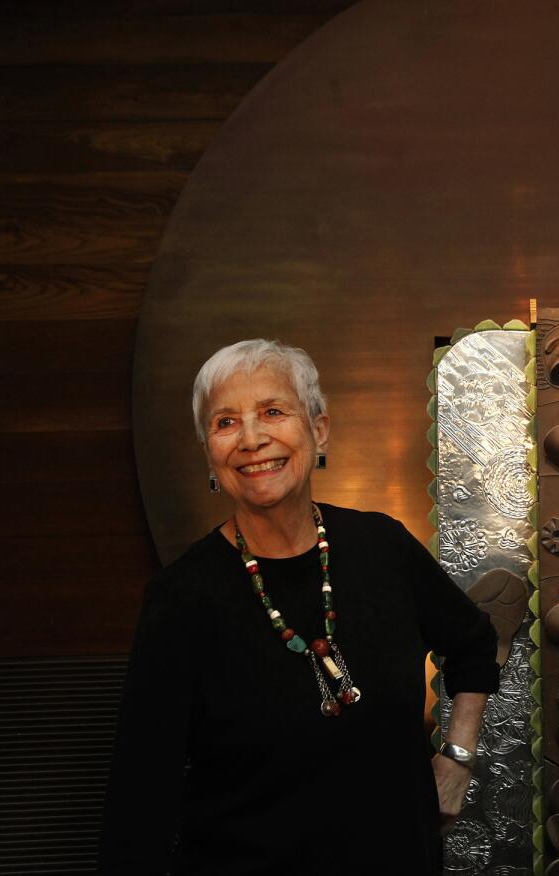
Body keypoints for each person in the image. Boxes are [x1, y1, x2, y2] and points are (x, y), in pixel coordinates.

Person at [100, 339, 498, 874]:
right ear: (209, 455)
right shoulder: (181, 597)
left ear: (318, 430)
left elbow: (472, 643)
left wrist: (458, 759)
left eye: (272, 411)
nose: (252, 438)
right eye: (225, 422)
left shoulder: (382, 547)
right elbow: (141, 787)